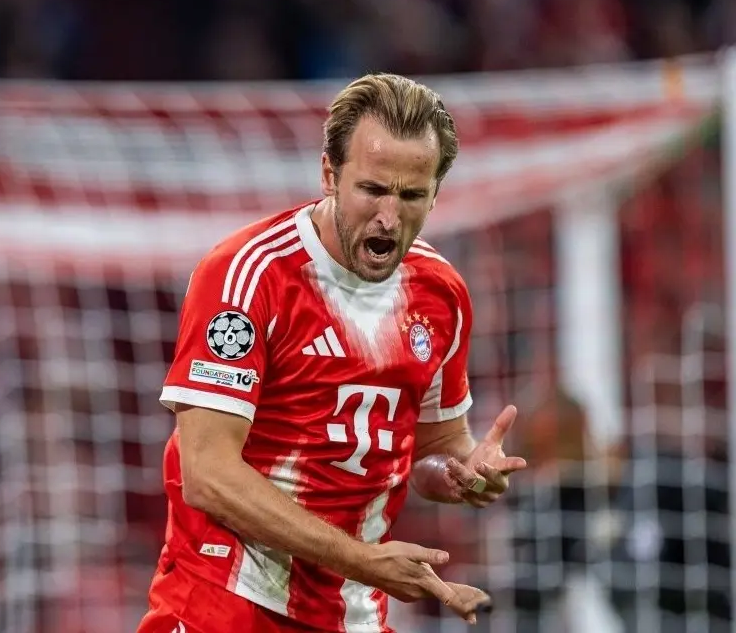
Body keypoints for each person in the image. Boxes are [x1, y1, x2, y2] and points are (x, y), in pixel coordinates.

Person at [138, 73, 527, 633]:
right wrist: (365, 561)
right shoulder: (249, 276)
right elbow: (208, 473)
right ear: (329, 174)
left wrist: (461, 471)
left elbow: (434, 449)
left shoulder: (441, 293)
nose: (389, 217)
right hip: (225, 601)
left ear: (435, 194)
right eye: (373, 189)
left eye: (412, 196)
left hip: (350, 612)